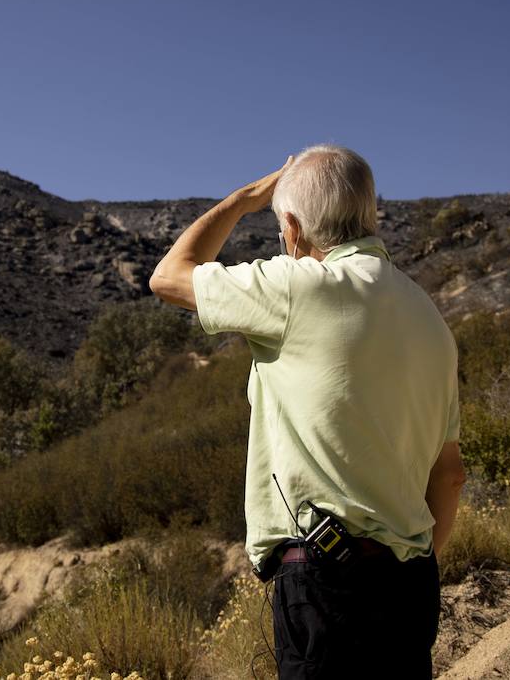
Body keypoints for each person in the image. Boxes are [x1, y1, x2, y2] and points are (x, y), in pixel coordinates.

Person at [148, 144, 465, 679]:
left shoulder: (296, 286)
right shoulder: (429, 316)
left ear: (292, 230)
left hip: (325, 578)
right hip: (412, 583)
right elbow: (450, 476)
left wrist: (243, 200)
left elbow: (169, 276)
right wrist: (401, 561)